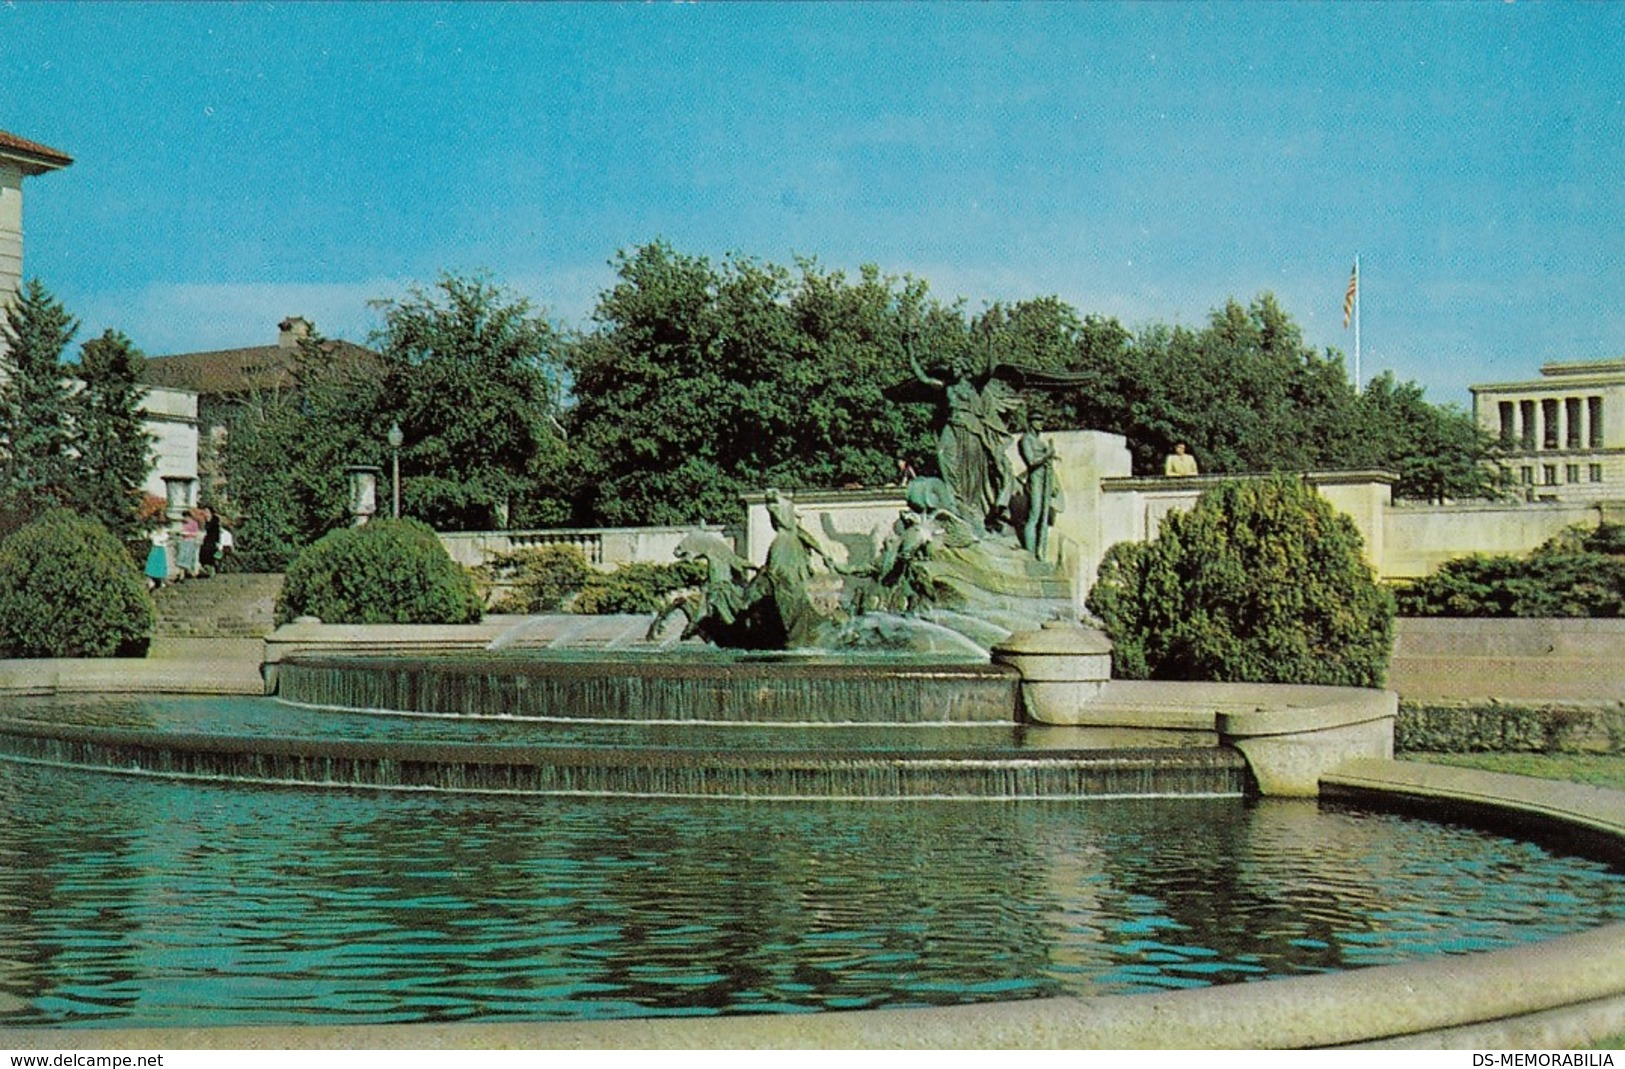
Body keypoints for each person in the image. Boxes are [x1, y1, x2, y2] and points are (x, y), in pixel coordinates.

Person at [175, 509, 203, 579]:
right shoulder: (184, 524)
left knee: (188, 557)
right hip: (184, 541)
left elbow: (195, 533)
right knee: (181, 557)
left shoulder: (194, 524)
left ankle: (191, 573)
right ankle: (181, 574)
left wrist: (187, 533)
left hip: (190, 541)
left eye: (186, 517)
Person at [198, 507, 221, 576]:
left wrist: (217, 542)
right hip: (204, 540)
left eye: (207, 512)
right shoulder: (202, 521)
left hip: (212, 540)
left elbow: (217, 533)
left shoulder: (215, 522)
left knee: (211, 553)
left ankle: (212, 569)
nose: (205, 513)